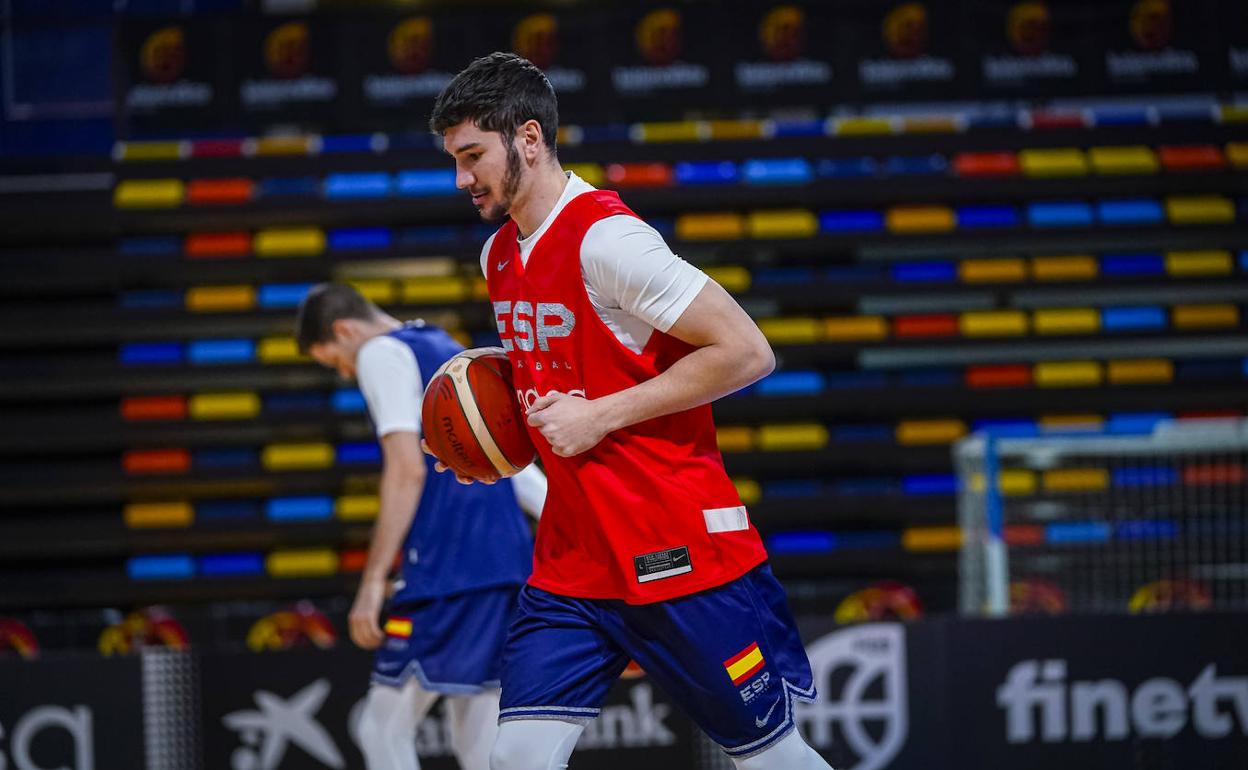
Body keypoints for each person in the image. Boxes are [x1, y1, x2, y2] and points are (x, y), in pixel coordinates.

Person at [428, 53, 832, 770]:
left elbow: (747, 352)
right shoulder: (496, 256)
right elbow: (554, 384)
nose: (462, 179)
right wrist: (488, 449)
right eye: (456, 160)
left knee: (772, 760)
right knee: (515, 759)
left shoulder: (608, 239)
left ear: (527, 138)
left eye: (472, 157)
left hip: (673, 548)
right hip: (574, 560)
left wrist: (602, 415)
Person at [295, 283, 547, 770]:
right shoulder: (446, 346)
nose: (346, 373)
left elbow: (407, 468)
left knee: (381, 730)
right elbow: (511, 466)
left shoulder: (378, 354)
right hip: (504, 564)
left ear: (344, 331)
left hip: (447, 569)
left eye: (334, 361)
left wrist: (371, 582)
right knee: (479, 742)